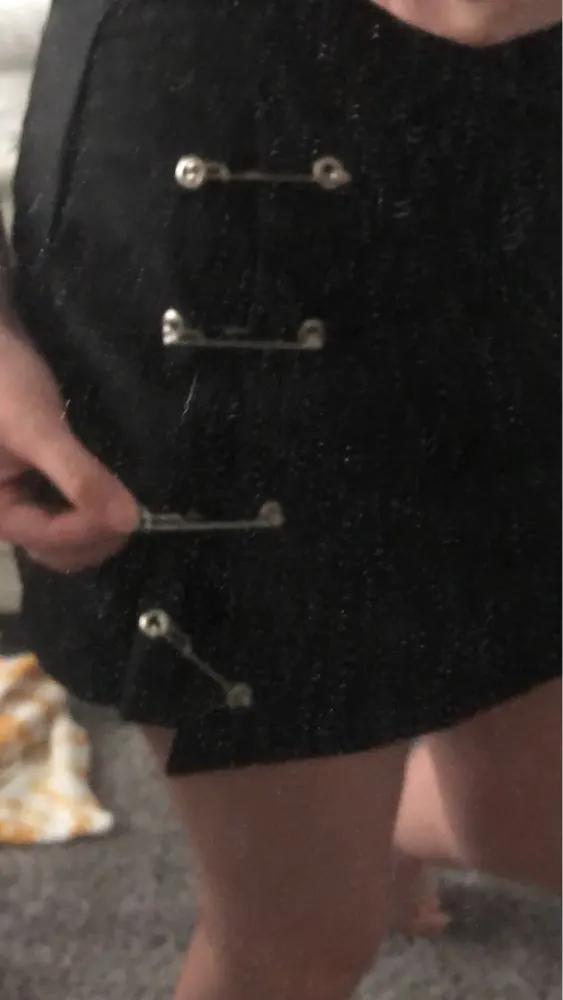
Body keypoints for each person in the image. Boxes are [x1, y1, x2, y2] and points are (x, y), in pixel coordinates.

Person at [0, 2, 560, 998]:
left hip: (533, 171)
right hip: (225, 177)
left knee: (530, 818)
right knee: (297, 943)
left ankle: (371, 812)